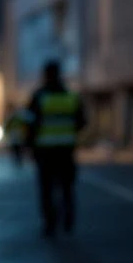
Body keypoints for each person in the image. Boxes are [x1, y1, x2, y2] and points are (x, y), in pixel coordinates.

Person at [26, 60, 86, 238]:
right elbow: (81, 122)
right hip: (66, 150)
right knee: (67, 187)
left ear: (45, 74)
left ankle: (49, 223)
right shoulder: (72, 96)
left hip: (45, 152)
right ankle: (69, 217)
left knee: (46, 188)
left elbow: (30, 124)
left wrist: (30, 146)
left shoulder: (39, 96)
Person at [4, 103, 31, 168]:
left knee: (18, 151)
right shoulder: (14, 119)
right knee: (16, 151)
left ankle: (18, 161)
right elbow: (7, 128)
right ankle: (18, 161)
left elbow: (7, 128)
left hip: (18, 138)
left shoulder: (17, 119)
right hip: (15, 138)